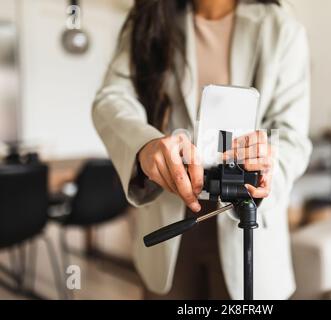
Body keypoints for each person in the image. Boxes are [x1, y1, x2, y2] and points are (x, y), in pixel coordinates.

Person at [92, 0, 311, 300]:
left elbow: (292, 136)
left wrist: (268, 165)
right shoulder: (150, 19)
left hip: (249, 227)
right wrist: (145, 145)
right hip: (170, 219)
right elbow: (111, 99)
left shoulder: (282, 29)